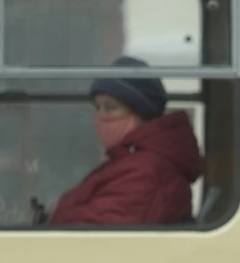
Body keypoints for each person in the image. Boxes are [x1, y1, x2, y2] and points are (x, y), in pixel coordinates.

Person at [46, 56, 204, 225]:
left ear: (140, 114)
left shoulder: (147, 170)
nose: (99, 118)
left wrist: (58, 212)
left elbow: (102, 228)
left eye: (110, 108)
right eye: (98, 108)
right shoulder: (131, 161)